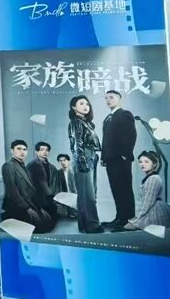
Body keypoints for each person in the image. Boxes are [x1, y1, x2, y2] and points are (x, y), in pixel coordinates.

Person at [1, 140, 56, 233]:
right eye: (19, 149)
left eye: (24, 149)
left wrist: (39, 208)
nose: (22, 152)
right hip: (16, 206)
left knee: (48, 221)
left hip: (28, 203)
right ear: (12, 151)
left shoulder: (23, 166)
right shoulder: (8, 165)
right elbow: (12, 191)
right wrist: (27, 208)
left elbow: (31, 191)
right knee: (41, 227)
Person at [101, 90, 137, 228]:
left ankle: (128, 220)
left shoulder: (125, 114)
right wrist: (104, 157)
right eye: (106, 98)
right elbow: (105, 140)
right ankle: (119, 217)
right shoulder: (107, 118)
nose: (108, 100)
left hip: (121, 159)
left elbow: (131, 135)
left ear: (119, 99)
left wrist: (125, 154)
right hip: (110, 160)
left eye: (111, 97)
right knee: (116, 189)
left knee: (124, 189)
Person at [118, 151, 170, 232]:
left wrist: (138, 218)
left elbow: (148, 202)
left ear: (154, 164)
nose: (142, 164)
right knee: (127, 226)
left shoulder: (153, 179)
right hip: (151, 208)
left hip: (154, 210)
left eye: (146, 162)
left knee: (127, 227)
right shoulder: (150, 178)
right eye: (140, 162)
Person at [68, 94, 103, 233]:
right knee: (87, 194)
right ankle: (91, 225)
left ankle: (86, 225)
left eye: (87, 104)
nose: (85, 106)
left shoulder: (85, 123)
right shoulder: (76, 122)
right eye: (81, 103)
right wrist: (82, 162)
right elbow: (76, 144)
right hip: (83, 159)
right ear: (73, 107)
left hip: (90, 158)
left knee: (90, 193)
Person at [27, 141, 67, 218]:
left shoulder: (52, 167)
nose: (45, 152)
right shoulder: (31, 165)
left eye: (47, 150)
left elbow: (56, 185)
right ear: (36, 152)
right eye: (42, 150)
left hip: (50, 199)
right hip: (37, 199)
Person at [56, 153, 78, 219]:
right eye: (60, 161)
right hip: (64, 196)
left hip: (74, 195)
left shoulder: (74, 172)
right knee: (63, 215)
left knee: (76, 214)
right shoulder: (58, 173)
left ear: (68, 161)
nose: (63, 162)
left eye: (64, 160)